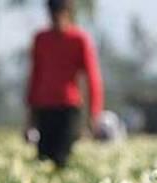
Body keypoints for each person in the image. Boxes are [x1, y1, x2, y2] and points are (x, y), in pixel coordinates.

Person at [24, 0, 103, 168]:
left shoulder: (79, 39)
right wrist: (30, 117)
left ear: (69, 13)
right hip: (44, 109)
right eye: (53, 14)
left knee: (61, 159)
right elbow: (35, 78)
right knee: (43, 159)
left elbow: (92, 79)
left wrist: (93, 115)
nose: (57, 18)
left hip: (68, 109)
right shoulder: (41, 39)